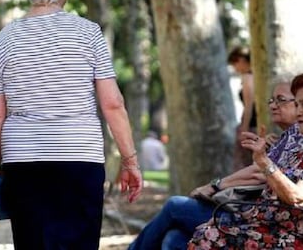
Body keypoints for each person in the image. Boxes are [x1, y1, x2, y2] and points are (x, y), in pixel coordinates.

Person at [0, 0, 143, 250]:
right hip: (80, 157)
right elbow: (112, 104)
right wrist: (130, 160)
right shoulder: (88, 33)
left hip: (23, 161)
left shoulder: (0, 42)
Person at [128, 75, 297, 250]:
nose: (272, 105)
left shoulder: (295, 143)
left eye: (281, 100)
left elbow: (261, 175)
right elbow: (258, 172)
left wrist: (215, 186)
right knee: (174, 238)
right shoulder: (286, 139)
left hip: (258, 221)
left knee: (175, 206)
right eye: (272, 100)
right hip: (249, 212)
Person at [188, 73, 303, 249]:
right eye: (298, 104)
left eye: (281, 100)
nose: (300, 111)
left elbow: (296, 197)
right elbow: (262, 175)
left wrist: (215, 186)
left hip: (286, 234)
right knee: (190, 233)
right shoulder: (292, 140)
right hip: (259, 219)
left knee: (191, 223)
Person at [228, 45, 256, 170]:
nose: (235, 67)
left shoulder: (247, 78)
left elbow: (248, 106)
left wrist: (243, 130)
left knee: (243, 165)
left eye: (234, 63)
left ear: (241, 60)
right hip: (256, 125)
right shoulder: (257, 76)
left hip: (251, 126)